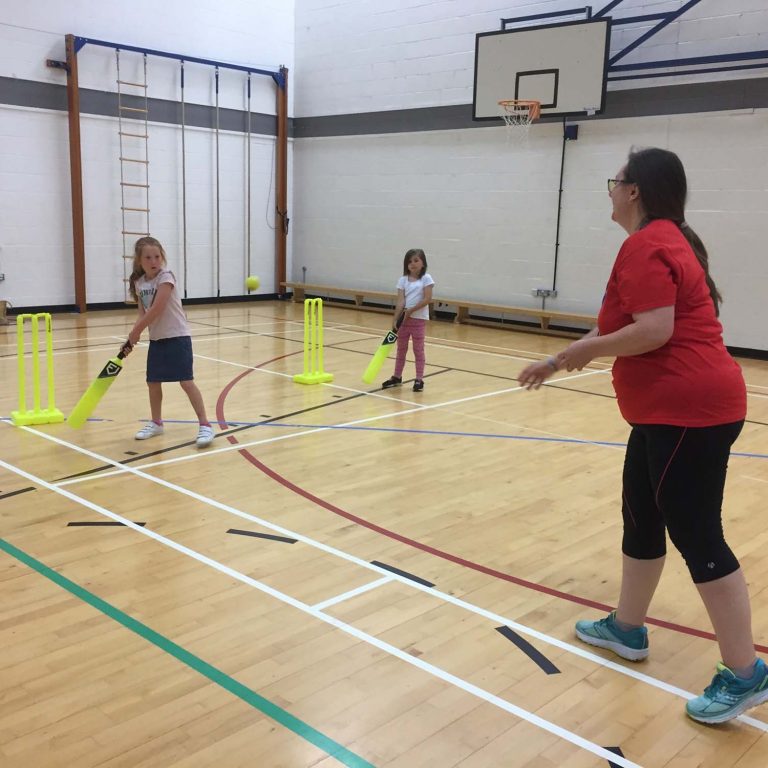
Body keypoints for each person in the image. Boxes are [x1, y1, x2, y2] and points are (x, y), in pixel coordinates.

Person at [518, 147, 767, 724]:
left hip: (690, 411)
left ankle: (746, 673)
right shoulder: (663, 241)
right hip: (667, 412)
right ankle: (626, 628)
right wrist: (560, 358)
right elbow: (624, 326)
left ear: (634, 191)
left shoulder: (649, 243)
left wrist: (579, 352)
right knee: (642, 515)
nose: (610, 189)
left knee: (699, 535)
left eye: (616, 181)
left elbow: (654, 330)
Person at [123, 236, 214, 448]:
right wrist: (131, 338)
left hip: (177, 337)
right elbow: (142, 313)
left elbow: (157, 309)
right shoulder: (139, 283)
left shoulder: (166, 277)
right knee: (153, 382)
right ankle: (156, 423)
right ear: (139, 260)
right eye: (148, 257)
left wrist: (136, 331)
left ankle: (205, 425)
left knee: (186, 381)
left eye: (157, 256)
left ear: (162, 257)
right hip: (157, 339)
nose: (153, 261)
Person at [381, 248, 435, 392]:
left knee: (418, 350)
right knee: (401, 350)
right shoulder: (402, 280)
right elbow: (400, 302)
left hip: (418, 320)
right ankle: (397, 377)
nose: (412, 264)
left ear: (423, 263)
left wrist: (411, 310)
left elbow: (427, 299)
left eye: (416, 260)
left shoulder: (426, 279)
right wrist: (396, 319)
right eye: (409, 261)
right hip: (404, 321)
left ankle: (419, 379)